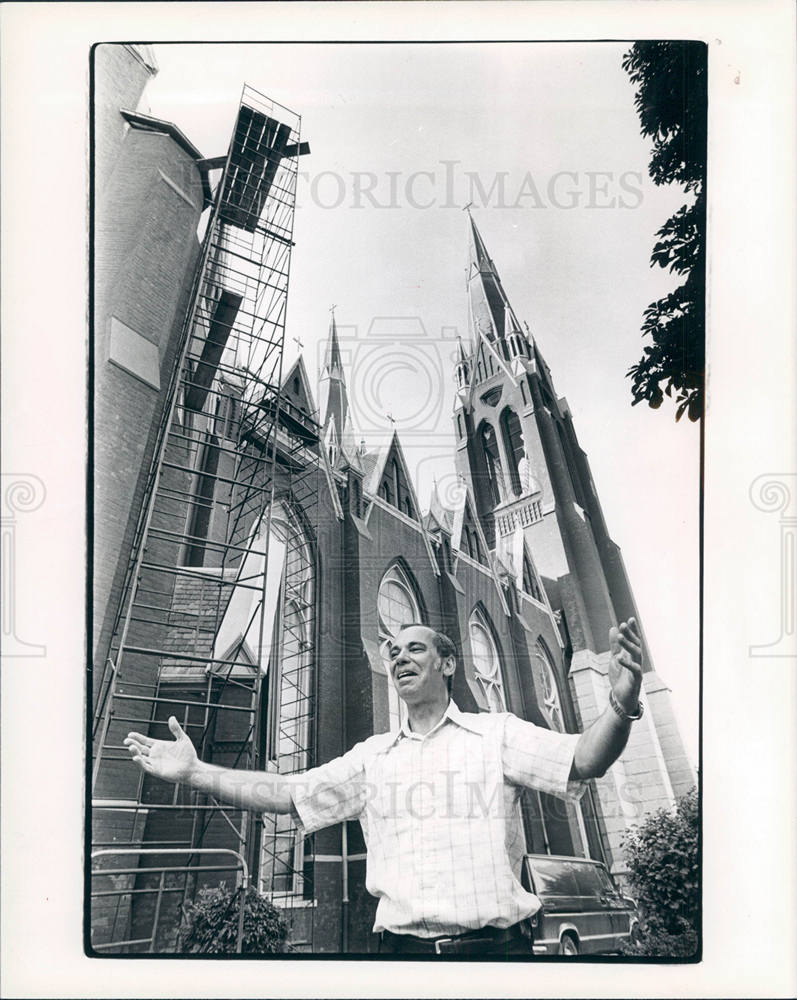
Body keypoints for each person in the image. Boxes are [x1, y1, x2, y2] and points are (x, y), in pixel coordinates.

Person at [125, 617, 645, 957]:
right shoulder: (372, 758)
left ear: (446, 663)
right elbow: (286, 794)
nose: (399, 657)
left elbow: (583, 759)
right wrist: (196, 774)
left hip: (496, 954)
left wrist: (621, 702)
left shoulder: (497, 734)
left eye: (414, 648)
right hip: (402, 957)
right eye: (393, 651)